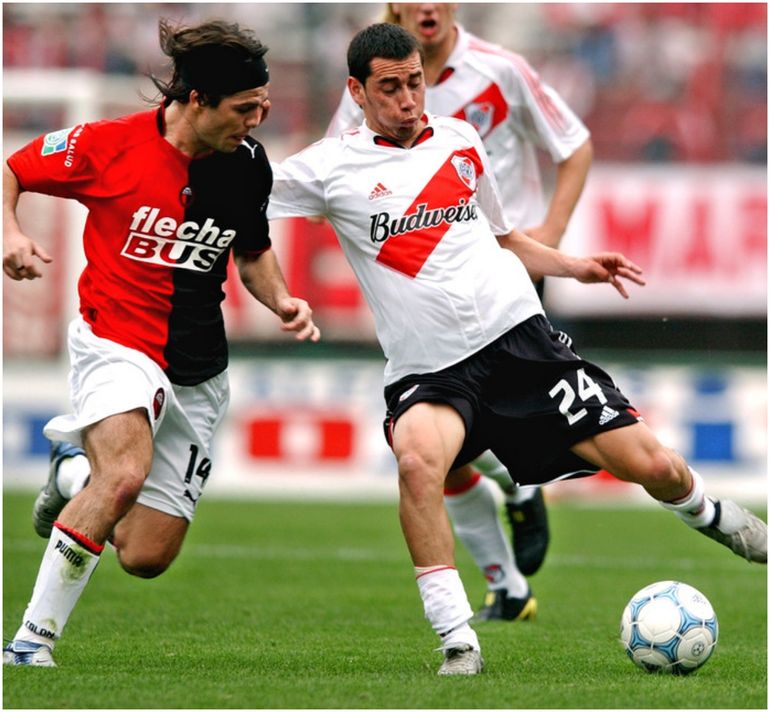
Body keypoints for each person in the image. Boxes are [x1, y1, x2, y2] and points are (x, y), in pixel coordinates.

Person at [267, 22, 766, 676]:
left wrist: (574, 266)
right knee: (418, 462)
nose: (408, 99)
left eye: (415, 82)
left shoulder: (461, 141)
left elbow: (503, 237)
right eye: (389, 88)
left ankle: (716, 516)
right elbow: (242, 199)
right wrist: (276, 292)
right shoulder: (328, 168)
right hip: (432, 371)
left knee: (654, 466)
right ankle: (457, 639)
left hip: (521, 344)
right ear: (357, 92)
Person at [2, 19, 320, 668]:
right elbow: (10, 171)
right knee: (124, 476)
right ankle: (30, 644)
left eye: (263, 105)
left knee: (146, 556)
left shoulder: (247, 164)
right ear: (197, 100)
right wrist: (10, 233)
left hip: (197, 369)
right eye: (245, 107)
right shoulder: (107, 145)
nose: (256, 120)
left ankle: (72, 473)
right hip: (115, 341)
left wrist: (283, 300)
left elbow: (252, 253)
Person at [326, 3, 594, 621]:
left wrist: (550, 237)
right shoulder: (372, 77)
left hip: (503, 275)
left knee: (449, 436)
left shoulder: (501, 70)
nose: (427, 7)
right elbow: (338, 163)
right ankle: (510, 569)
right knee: (436, 445)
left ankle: (513, 515)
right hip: (422, 277)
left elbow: (574, 145)